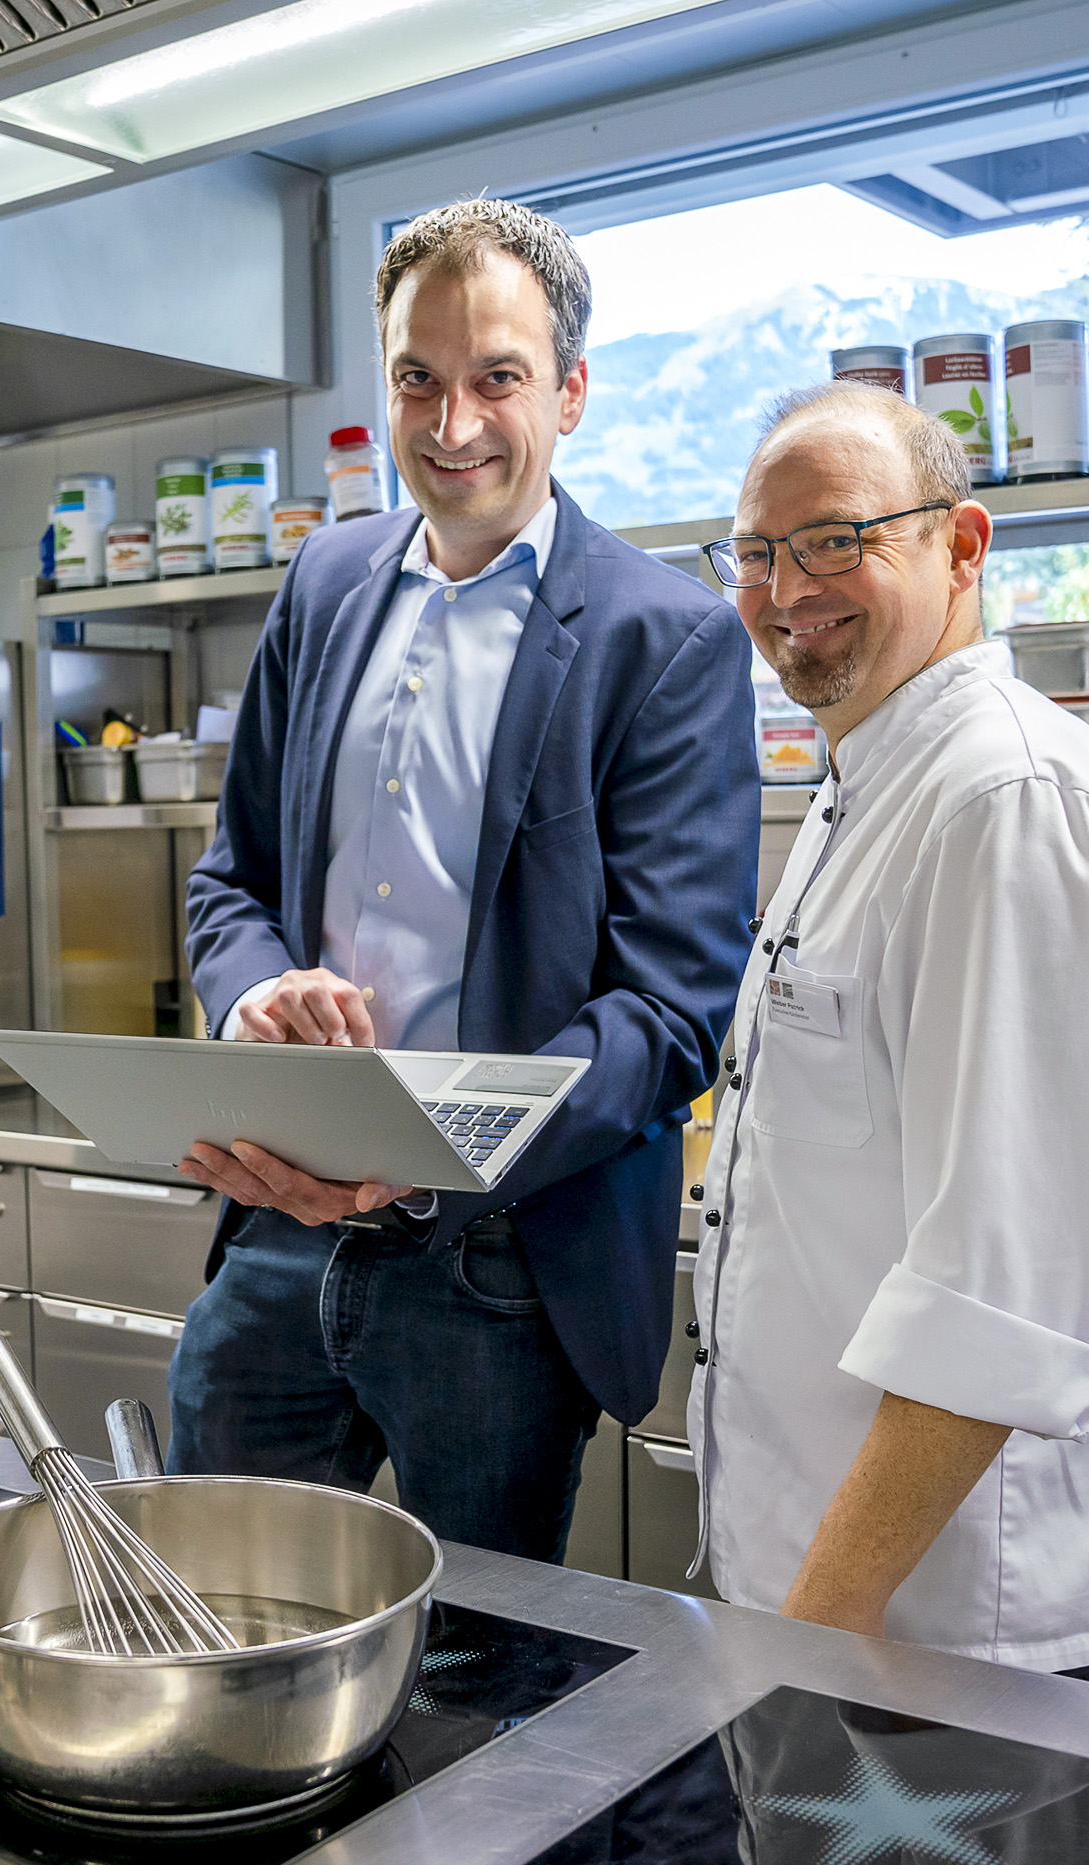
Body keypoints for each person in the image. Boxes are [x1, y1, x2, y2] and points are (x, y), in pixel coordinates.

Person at [172, 196, 761, 1562]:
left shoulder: (661, 638)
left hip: (499, 1265)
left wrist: (444, 1149)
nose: (451, 428)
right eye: (416, 381)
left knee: (480, 1698)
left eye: (495, 378)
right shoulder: (321, 585)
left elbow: (670, 1010)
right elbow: (229, 884)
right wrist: (252, 1003)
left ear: (566, 390)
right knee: (211, 1615)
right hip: (277, 1231)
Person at [689, 380, 1089, 1671]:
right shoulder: (867, 778)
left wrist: (821, 1621)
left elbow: (999, 1287)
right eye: (754, 552)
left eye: (834, 538)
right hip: (828, 1609)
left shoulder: (1006, 805)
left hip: (936, 1635)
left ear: (961, 545)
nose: (783, 584)